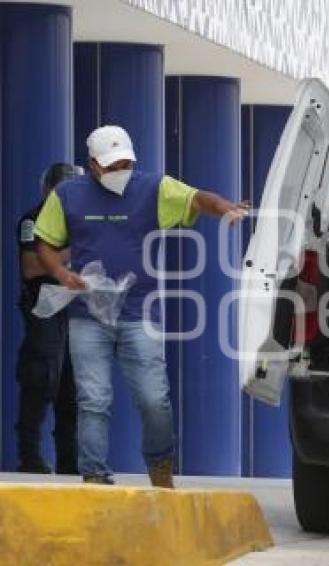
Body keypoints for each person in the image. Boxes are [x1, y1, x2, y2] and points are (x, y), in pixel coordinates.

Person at [34, 125, 249, 487]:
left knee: (154, 399)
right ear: (93, 164)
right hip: (88, 314)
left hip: (140, 313)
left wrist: (223, 207)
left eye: (124, 164)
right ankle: (95, 476)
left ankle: (160, 465)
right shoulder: (67, 195)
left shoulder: (154, 188)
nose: (119, 171)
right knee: (93, 399)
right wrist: (59, 271)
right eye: (111, 165)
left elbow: (197, 198)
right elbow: (44, 241)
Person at [15, 163, 82, 474]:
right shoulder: (33, 219)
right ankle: (29, 457)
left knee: (74, 385)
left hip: (78, 310)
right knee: (41, 378)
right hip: (45, 306)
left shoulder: (85, 220)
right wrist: (75, 249)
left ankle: (70, 461)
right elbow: (31, 266)